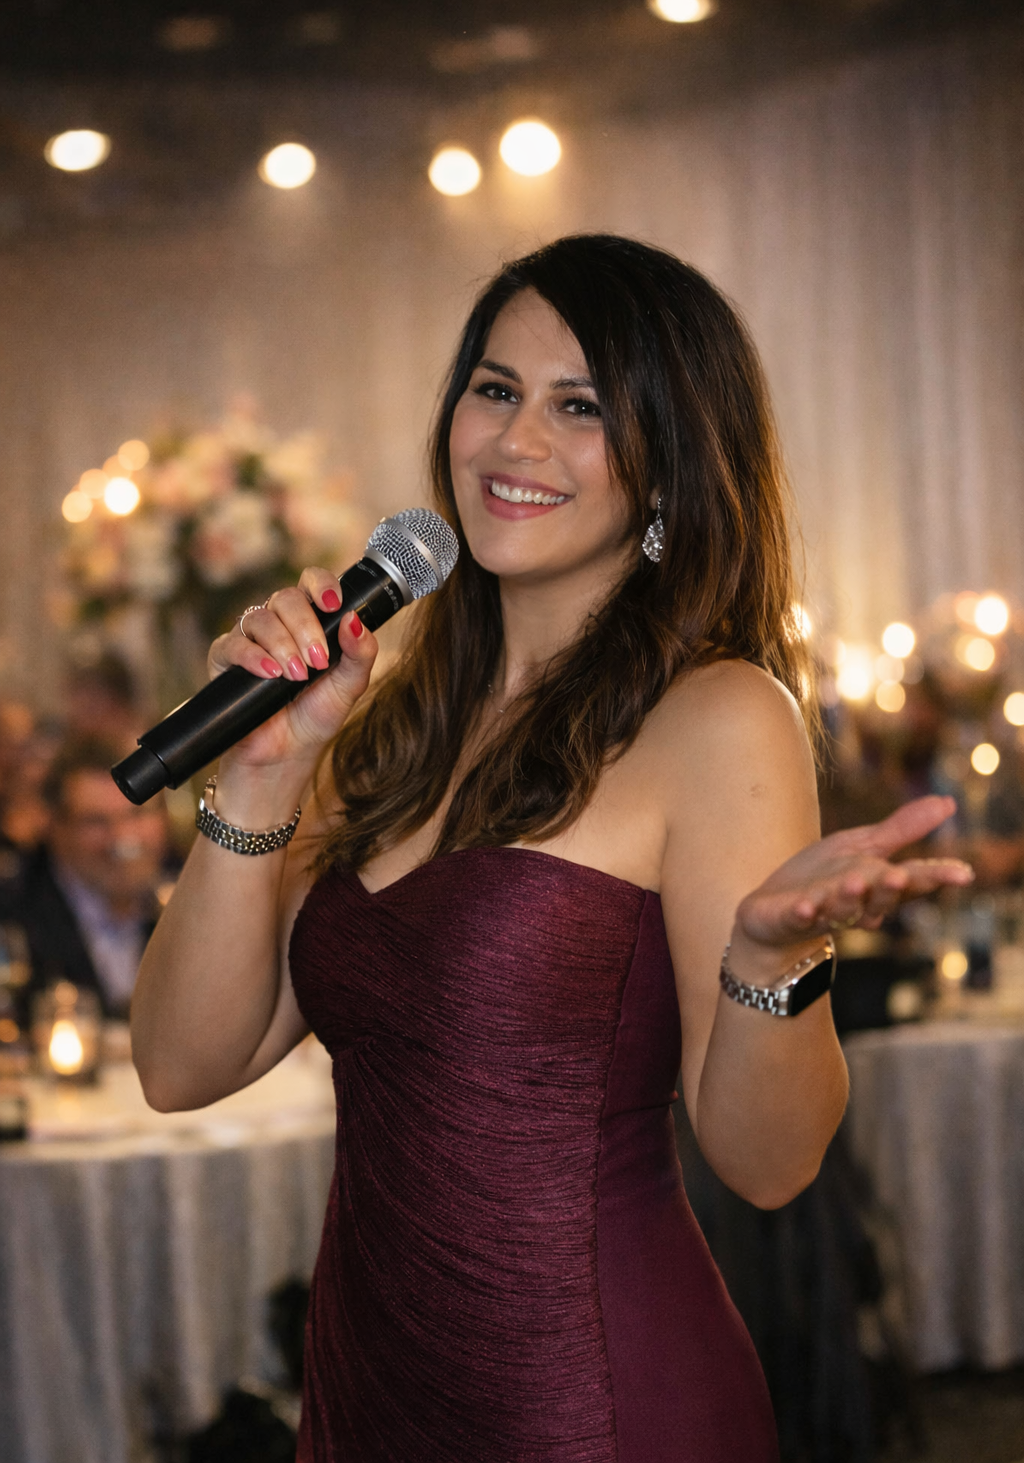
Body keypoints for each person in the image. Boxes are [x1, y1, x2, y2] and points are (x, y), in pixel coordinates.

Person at [131, 236, 972, 1462]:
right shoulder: (385, 723)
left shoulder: (717, 715)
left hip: (589, 1401)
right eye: (495, 388)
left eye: (579, 407)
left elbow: (769, 1165)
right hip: (368, 1391)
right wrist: (265, 763)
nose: (515, 442)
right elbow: (181, 1064)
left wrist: (767, 956)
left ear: (672, 464)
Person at [2, 739, 171, 1019]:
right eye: (96, 822)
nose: (122, 838)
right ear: (55, 827)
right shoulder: (14, 915)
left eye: (137, 814)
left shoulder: (189, 900)